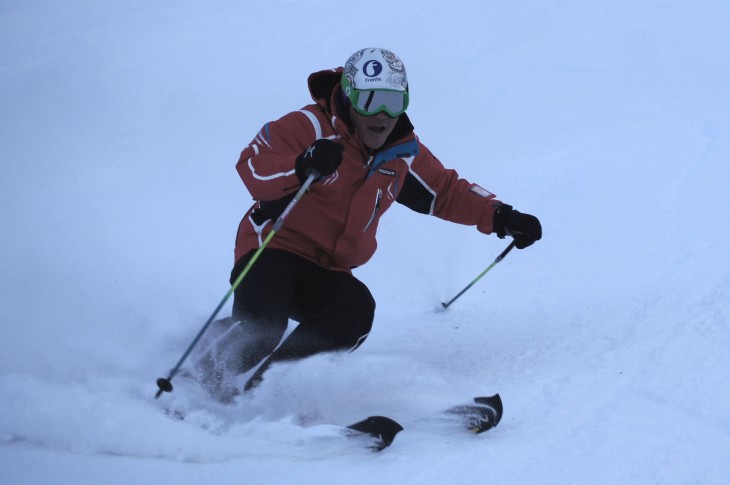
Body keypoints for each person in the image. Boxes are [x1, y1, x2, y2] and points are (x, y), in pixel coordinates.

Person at [195, 47, 541, 400]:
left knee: (354, 310)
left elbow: (445, 191)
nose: (382, 114)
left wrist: (500, 216)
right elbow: (252, 165)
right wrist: (302, 164)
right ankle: (198, 380)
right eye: (369, 100)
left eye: (393, 101)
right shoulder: (310, 126)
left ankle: (268, 392)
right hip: (273, 248)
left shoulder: (401, 153)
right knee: (263, 327)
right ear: (349, 98)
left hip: (328, 268)